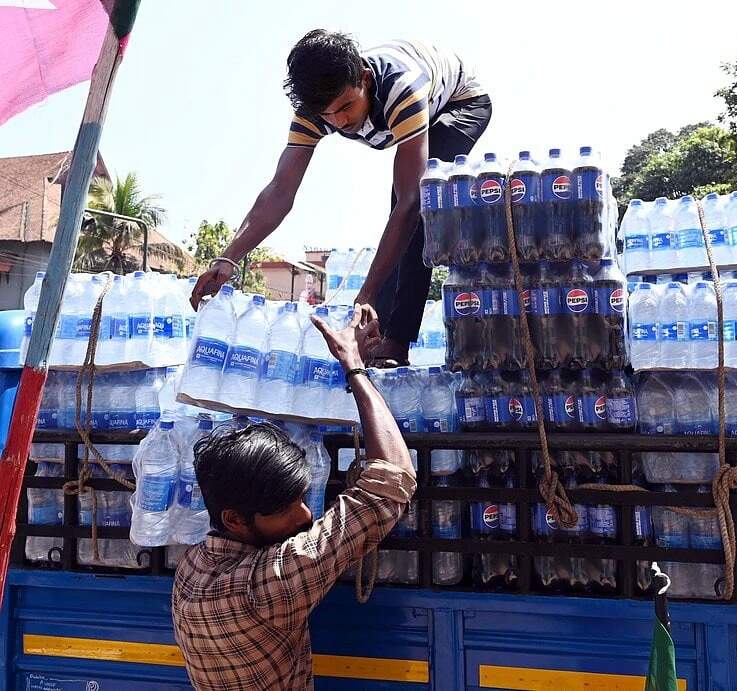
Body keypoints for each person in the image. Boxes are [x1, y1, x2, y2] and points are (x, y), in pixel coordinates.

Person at [190, 30, 491, 366]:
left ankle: (394, 342)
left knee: (418, 202)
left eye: (346, 106)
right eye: (327, 115)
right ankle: (380, 333)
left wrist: (368, 293)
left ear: (365, 79)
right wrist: (228, 258)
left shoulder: (401, 89)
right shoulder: (313, 110)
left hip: (460, 103)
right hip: (415, 106)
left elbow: (409, 203)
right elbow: (280, 191)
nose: (340, 121)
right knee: (406, 200)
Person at [171, 307, 416, 690]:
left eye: (301, 498)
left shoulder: (192, 568)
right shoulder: (265, 588)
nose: (304, 516)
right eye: (285, 508)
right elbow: (391, 482)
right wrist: (353, 367)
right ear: (234, 519)